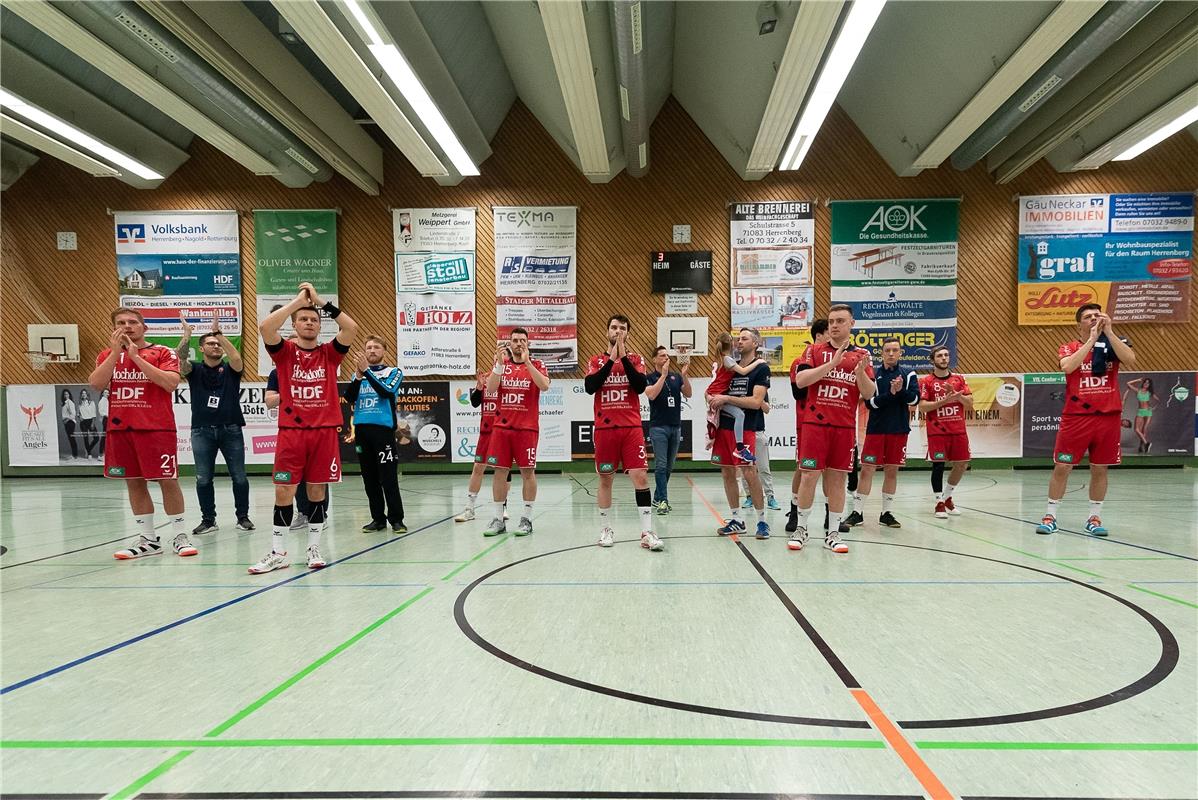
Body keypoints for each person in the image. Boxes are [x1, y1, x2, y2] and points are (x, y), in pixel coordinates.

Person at [250, 282, 358, 574]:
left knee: (316, 492)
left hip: (323, 432)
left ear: (319, 326)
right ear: (295, 324)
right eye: (303, 319)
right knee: (283, 491)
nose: (309, 322)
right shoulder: (283, 353)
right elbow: (265, 327)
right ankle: (277, 552)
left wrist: (321, 301)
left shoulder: (329, 354)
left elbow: (351, 328)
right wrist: (298, 302)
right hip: (291, 433)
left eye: (314, 320)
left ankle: (314, 547)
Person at [88, 307, 196, 559]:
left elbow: (170, 383)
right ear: (114, 328)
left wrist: (136, 358)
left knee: (167, 481)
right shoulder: (107, 355)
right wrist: (117, 354)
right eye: (121, 323)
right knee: (134, 482)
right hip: (121, 429)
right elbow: (95, 384)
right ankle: (148, 539)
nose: (127, 326)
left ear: (144, 327)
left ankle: (180, 534)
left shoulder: (162, 352)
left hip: (156, 428)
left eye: (133, 322)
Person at [1037, 303, 1135, 536]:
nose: (1093, 318)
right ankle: (1051, 515)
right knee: (1063, 465)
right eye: (1088, 316)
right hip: (1077, 416)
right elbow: (1068, 367)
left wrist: (1109, 333)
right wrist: (1091, 340)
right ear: (1079, 323)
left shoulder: (1113, 343)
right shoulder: (1068, 347)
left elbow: (1130, 359)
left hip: (1108, 417)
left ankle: (1094, 518)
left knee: (1100, 468)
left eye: (1097, 315)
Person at [790, 305, 875, 553]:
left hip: (843, 426)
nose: (834, 325)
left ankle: (833, 533)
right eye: (831, 321)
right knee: (808, 476)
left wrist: (860, 375)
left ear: (852, 324)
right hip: (815, 424)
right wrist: (832, 363)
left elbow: (869, 394)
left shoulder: (861, 355)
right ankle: (802, 529)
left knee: (837, 479)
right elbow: (801, 381)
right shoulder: (813, 350)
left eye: (840, 321)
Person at [586, 316, 661, 551]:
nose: (618, 331)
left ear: (628, 333)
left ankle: (647, 532)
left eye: (623, 329)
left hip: (631, 429)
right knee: (605, 479)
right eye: (614, 328)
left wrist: (623, 356)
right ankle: (606, 529)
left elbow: (639, 386)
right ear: (607, 331)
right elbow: (591, 387)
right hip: (605, 429)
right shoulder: (596, 360)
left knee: (640, 477)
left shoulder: (636, 360)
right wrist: (611, 359)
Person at [177, 310, 253, 534]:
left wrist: (219, 334)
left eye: (218, 343)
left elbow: (237, 358)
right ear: (201, 349)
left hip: (231, 429)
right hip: (201, 431)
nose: (216, 346)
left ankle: (243, 517)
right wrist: (187, 334)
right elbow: (179, 359)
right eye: (210, 343)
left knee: (239, 477)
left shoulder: (231, 370)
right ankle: (208, 520)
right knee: (203, 479)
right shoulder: (194, 369)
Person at [482, 328, 549, 537]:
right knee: (499, 472)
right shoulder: (503, 366)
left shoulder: (537, 364)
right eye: (515, 340)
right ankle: (498, 519)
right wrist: (499, 364)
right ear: (509, 344)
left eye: (522, 340)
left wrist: (528, 362)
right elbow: (491, 389)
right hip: (502, 429)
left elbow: (544, 385)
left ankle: (527, 519)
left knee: (528, 473)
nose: (518, 343)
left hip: (526, 429)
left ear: (528, 343)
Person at [847, 337, 918, 528]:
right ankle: (857, 512)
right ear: (882, 353)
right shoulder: (874, 374)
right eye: (888, 350)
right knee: (867, 470)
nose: (891, 353)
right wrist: (891, 395)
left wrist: (900, 391)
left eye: (895, 350)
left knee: (891, 471)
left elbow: (914, 400)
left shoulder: (909, 374)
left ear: (901, 353)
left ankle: (886, 513)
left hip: (899, 429)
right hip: (876, 430)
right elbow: (870, 402)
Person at [786, 319, 847, 536]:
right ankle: (795, 512)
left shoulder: (843, 359)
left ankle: (831, 515)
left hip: (833, 421)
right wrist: (824, 370)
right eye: (828, 332)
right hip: (807, 422)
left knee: (832, 471)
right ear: (819, 336)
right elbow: (799, 392)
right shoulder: (801, 360)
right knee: (804, 470)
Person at [709, 328, 771, 539]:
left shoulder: (760, 369)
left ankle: (762, 521)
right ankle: (736, 519)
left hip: (745, 429)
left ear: (755, 343)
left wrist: (726, 399)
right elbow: (715, 391)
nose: (739, 341)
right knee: (727, 473)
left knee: (749, 472)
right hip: (724, 427)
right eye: (738, 339)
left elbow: (756, 402)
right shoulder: (730, 366)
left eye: (744, 338)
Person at [345, 335, 406, 533]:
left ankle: (396, 519)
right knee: (369, 478)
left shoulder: (394, 372)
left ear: (384, 351)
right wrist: (359, 375)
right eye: (368, 347)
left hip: (383, 430)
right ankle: (377, 519)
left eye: (376, 347)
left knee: (388, 477)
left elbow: (386, 391)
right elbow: (349, 398)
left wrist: (367, 373)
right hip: (362, 430)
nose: (372, 350)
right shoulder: (359, 375)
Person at [918, 345, 973, 519]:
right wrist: (944, 401)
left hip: (958, 430)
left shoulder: (959, 379)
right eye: (940, 356)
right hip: (937, 431)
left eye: (946, 355)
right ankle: (938, 502)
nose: (944, 358)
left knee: (962, 464)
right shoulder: (926, 382)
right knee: (938, 465)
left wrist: (957, 396)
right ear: (933, 360)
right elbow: (923, 407)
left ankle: (948, 496)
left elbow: (970, 403)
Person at [453, 368, 512, 522]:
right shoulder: (486, 378)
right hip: (486, 432)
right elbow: (474, 403)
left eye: (503, 357)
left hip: (503, 431)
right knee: (478, 468)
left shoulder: (512, 379)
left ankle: (503, 507)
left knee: (503, 470)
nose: (499, 360)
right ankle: (469, 509)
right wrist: (479, 388)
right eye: (496, 358)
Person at [266, 368, 321, 531]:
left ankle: (320, 515)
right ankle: (303, 513)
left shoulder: (317, 370)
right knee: (293, 478)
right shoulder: (277, 373)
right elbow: (269, 402)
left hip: (316, 428)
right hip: (291, 430)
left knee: (317, 478)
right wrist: (292, 393)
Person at [645, 345, 691, 514]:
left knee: (669, 466)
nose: (666, 358)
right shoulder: (649, 377)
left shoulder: (675, 377)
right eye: (662, 356)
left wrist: (684, 376)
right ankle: (663, 500)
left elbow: (688, 392)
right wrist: (663, 375)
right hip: (658, 427)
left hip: (675, 426)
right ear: (655, 359)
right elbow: (651, 395)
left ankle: (657, 497)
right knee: (661, 465)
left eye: (667, 355)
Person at [706, 332, 765, 463]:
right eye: (737, 340)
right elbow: (744, 371)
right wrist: (759, 362)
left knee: (716, 418)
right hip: (716, 394)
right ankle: (739, 447)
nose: (738, 342)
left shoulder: (723, 359)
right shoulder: (727, 359)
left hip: (713, 393)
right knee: (740, 415)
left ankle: (711, 437)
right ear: (731, 343)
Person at [1123, 377, 1158, 454]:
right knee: (1136, 429)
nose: (1146, 384)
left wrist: (1153, 407)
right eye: (1145, 382)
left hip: (1148, 412)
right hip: (1140, 412)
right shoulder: (1138, 390)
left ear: (1149, 385)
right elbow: (1128, 383)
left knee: (1144, 430)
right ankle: (1146, 443)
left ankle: (1142, 447)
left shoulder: (1150, 393)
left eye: (1148, 383)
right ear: (1143, 383)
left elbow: (1158, 400)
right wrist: (1137, 380)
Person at [77, 389, 99, 459]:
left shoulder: (91, 403)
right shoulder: (79, 404)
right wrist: (79, 416)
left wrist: (93, 423)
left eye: (85, 393)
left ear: (87, 394)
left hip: (90, 421)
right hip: (83, 422)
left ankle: (88, 449)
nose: (83, 394)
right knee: (86, 438)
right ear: (81, 395)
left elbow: (94, 413)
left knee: (96, 438)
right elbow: (78, 413)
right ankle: (89, 454)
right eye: (82, 393)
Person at [60, 388, 79, 460]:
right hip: (66, 423)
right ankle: (74, 455)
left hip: (70, 422)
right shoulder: (64, 403)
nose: (66, 395)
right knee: (70, 439)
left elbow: (73, 414)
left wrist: (67, 419)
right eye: (65, 394)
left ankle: (75, 455)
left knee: (72, 439)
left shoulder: (70, 402)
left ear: (69, 395)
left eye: (67, 394)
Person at [97, 388, 109, 456]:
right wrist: (108, 416)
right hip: (106, 419)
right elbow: (101, 412)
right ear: (102, 394)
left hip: (108, 419)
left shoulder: (107, 400)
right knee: (104, 436)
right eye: (105, 392)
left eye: (107, 392)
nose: (107, 394)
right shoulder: (102, 401)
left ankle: (103, 453)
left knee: (106, 436)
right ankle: (100, 454)